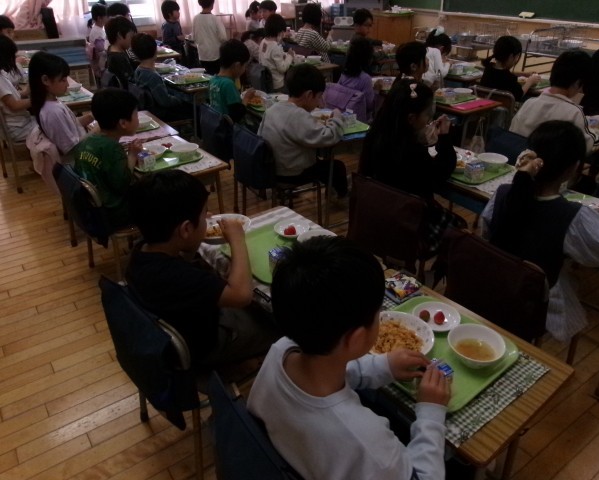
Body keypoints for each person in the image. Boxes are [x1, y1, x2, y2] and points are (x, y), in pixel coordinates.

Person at [247, 235, 450, 479]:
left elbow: (327, 370)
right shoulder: (368, 446)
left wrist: (383, 365)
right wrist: (431, 413)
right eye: (377, 314)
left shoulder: (281, 351)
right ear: (356, 338)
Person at [481, 120, 599, 342]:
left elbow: (487, 232)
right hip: (531, 304)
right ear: (574, 167)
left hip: (488, 285)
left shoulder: (503, 193)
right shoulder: (571, 216)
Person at [126, 169, 279, 369]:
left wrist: (194, 238)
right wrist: (237, 239)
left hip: (183, 326)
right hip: (207, 343)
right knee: (282, 323)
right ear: (186, 229)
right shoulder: (177, 276)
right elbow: (241, 295)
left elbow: (185, 261)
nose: (209, 217)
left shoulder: (141, 252)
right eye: (204, 214)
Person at [360, 79, 464, 253]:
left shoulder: (375, 135)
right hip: (408, 226)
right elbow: (440, 174)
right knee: (461, 229)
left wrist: (420, 141)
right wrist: (444, 137)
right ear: (411, 118)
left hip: (374, 217)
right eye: (427, 115)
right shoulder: (411, 151)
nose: (429, 120)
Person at [258, 64, 348, 197]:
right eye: (319, 97)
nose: (319, 103)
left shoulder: (273, 109)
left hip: (271, 168)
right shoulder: (298, 116)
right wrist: (337, 118)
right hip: (291, 173)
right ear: (309, 94)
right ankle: (340, 199)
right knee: (337, 167)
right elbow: (328, 137)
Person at [73, 88, 141, 230]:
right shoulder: (112, 148)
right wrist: (132, 155)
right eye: (136, 114)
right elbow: (123, 184)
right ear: (123, 123)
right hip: (113, 213)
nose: (138, 119)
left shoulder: (87, 141)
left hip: (91, 209)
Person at [510, 50, 599, 152]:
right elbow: (585, 147)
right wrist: (595, 131)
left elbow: (512, 133)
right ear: (577, 83)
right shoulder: (574, 113)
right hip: (551, 161)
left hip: (520, 157)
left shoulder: (529, 103)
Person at [28, 52, 93, 160]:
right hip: (77, 162)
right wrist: (98, 131)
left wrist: (92, 116)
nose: (67, 84)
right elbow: (72, 149)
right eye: (63, 80)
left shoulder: (51, 103)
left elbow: (69, 125)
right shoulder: (52, 112)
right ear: (45, 80)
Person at [130, 33, 192, 121]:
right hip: (162, 114)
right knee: (195, 106)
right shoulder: (153, 76)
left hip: (150, 110)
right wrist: (182, 98)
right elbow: (166, 101)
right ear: (155, 51)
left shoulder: (138, 70)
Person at [209, 39, 257, 124]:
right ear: (237, 65)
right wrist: (246, 98)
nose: (244, 69)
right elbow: (237, 115)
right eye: (244, 66)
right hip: (227, 128)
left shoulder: (213, 80)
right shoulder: (228, 84)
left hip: (216, 125)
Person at [480, 36, 540, 102]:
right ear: (511, 56)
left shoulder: (488, 68)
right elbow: (519, 95)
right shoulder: (510, 78)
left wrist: (523, 74)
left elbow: (501, 73)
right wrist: (530, 82)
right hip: (504, 107)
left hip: (487, 103)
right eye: (517, 56)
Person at [338, 37, 381, 123]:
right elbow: (370, 105)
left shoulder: (344, 75)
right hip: (360, 120)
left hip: (343, 114)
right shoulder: (365, 78)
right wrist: (376, 90)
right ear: (368, 58)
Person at [0, 36, 35, 142]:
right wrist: (39, 99)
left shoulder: (2, 74)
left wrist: (25, 92)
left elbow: (9, 97)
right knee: (54, 125)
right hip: (18, 129)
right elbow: (14, 105)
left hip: (20, 123)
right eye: (11, 56)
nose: (13, 60)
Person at [259, 14, 294, 92]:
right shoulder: (275, 46)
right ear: (279, 32)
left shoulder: (263, 41)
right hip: (277, 84)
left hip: (267, 81)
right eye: (282, 33)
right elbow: (282, 68)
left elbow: (267, 56)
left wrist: (283, 55)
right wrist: (290, 56)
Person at [192, 0, 228, 75]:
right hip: (215, 54)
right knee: (215, 76)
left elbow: (193, 37)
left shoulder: (196, 18)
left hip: (202, 54)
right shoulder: (215, 19)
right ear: (212, 4)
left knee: (205, 76)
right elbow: (223, 37)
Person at [105, 16, 137, 89]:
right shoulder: (118, 58)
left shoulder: (112, 49)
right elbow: (130, 81)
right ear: (119, 35)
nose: (132, 41)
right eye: (131, 37)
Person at [88, 4, 108, 81]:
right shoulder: (97, 32)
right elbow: (101, 50)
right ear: (99, 18)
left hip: (101, 62)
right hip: (100, 64)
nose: (108, 18)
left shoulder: (99, 29)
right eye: (106, 16)